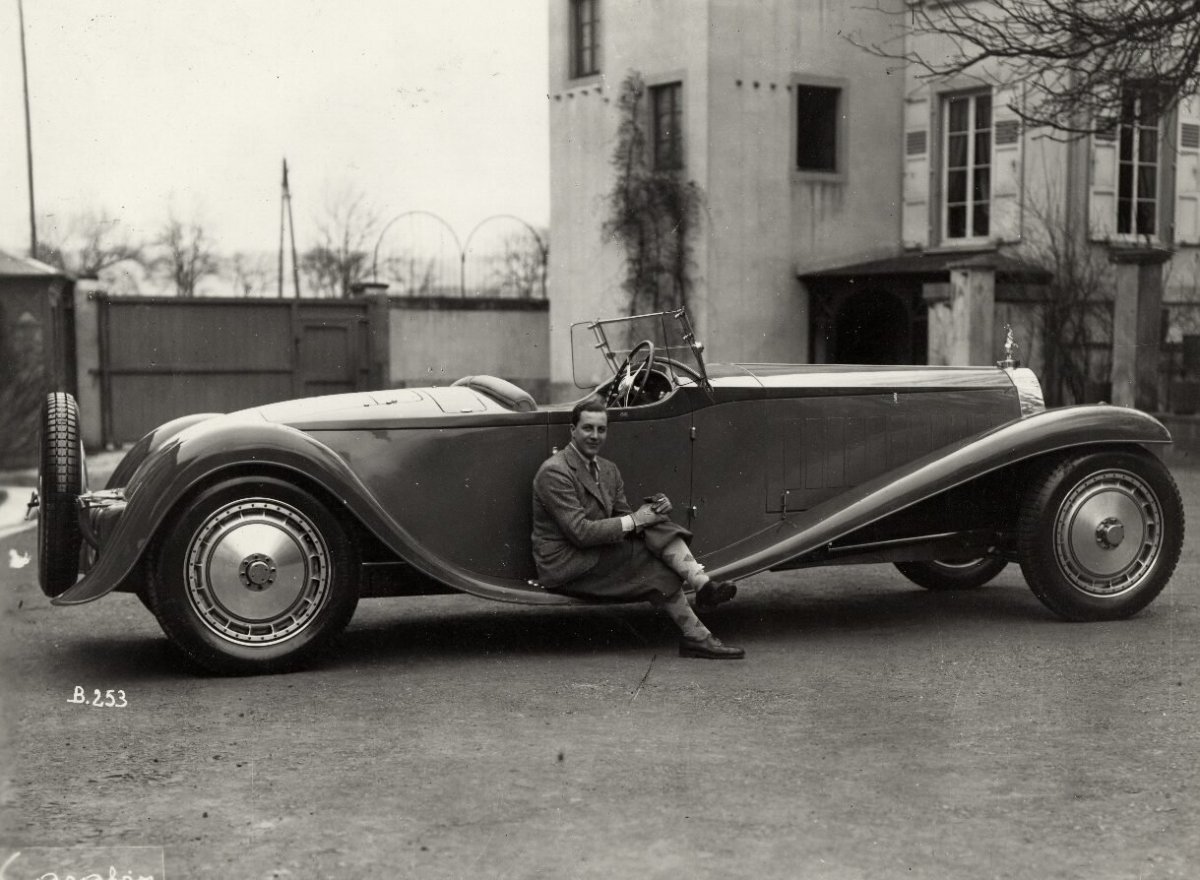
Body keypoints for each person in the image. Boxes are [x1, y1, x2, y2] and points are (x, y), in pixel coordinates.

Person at [531, 396, 744, 659]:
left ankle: (702, 592)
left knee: (655, 522)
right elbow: (580, 532)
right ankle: (698, 626)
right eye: (588, 428)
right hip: (568, 563)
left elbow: (624, 517)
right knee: (653, 558)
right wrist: (637, 519)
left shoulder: (608, 470)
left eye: (601, 429)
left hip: (597, 552)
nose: (595, 435)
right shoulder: (555, 472)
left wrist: (653, 511)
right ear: (572, 430)